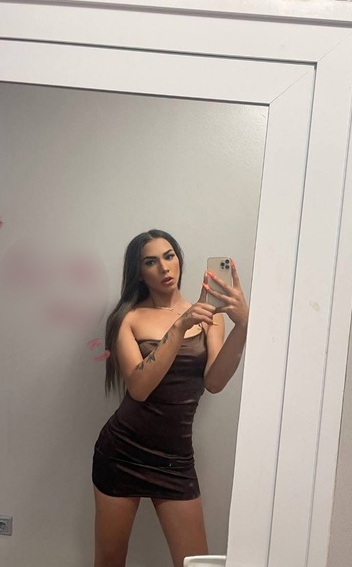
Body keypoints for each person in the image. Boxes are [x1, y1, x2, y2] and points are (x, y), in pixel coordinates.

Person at [92, 229, 249, 567]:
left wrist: (243, 325)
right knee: (109, 561)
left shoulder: (208, 318)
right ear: (139, 273)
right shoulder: (127, 319)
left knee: (196, 563)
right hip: (121, 453)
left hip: (175, 461)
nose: (164, 267)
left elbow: (215, 382)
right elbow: (139, 388)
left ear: (179, 259)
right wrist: (179, 327)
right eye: (150, 262)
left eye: (169, 256)